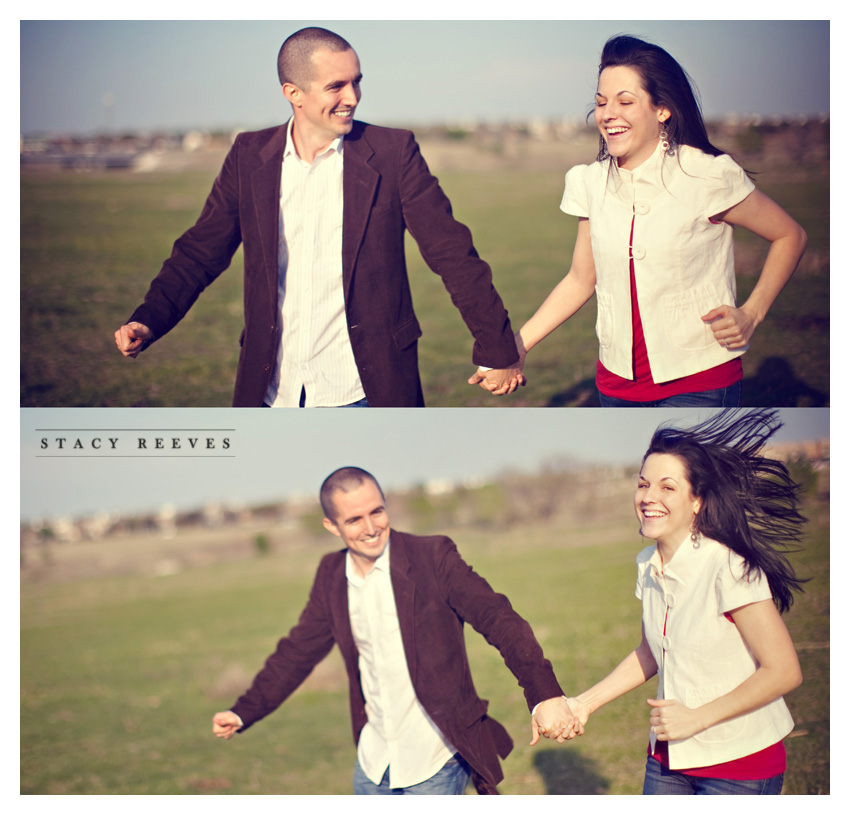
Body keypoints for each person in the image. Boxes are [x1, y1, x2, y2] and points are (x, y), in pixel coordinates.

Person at [115, 27, 524, 407]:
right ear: (293, 92)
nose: (353, 97)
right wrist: (149, 319)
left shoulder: (393, 152)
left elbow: (451, 252)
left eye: (357, 81)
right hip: (271, 390)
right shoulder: (248, 154)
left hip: (367, 389)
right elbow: (200, 252)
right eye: (336, 86)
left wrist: (497, 347)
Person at [211, 467, 579, 794]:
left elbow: (498, 618)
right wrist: (246, 711)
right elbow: (297, 651)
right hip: (372, 766)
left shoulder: (432, 557)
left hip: (435, 761)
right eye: (354, 520)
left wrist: (543, 692)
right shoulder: (330, 575)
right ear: (331, 526)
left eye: (377, 511)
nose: (371, 528)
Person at [512, 36, 807, 407]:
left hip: (701, 384)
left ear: (662, 109)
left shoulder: (707, 174)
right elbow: (580, 278)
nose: (608, 114)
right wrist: (517, 346)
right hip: (615, 388)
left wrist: (752, 312)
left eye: (625, 101)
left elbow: (789, 235)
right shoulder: (588, 181)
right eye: (601, 102)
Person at [563, 409, 806, 794]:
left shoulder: (727, 565)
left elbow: (784, 671)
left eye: (667, 487)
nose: (648, 497)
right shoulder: (647, 564)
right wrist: (584, 704)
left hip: (739, 767)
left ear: (697, 501)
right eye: (643, 485)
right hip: (667, 759)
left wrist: (697, 718)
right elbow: (651, 651)